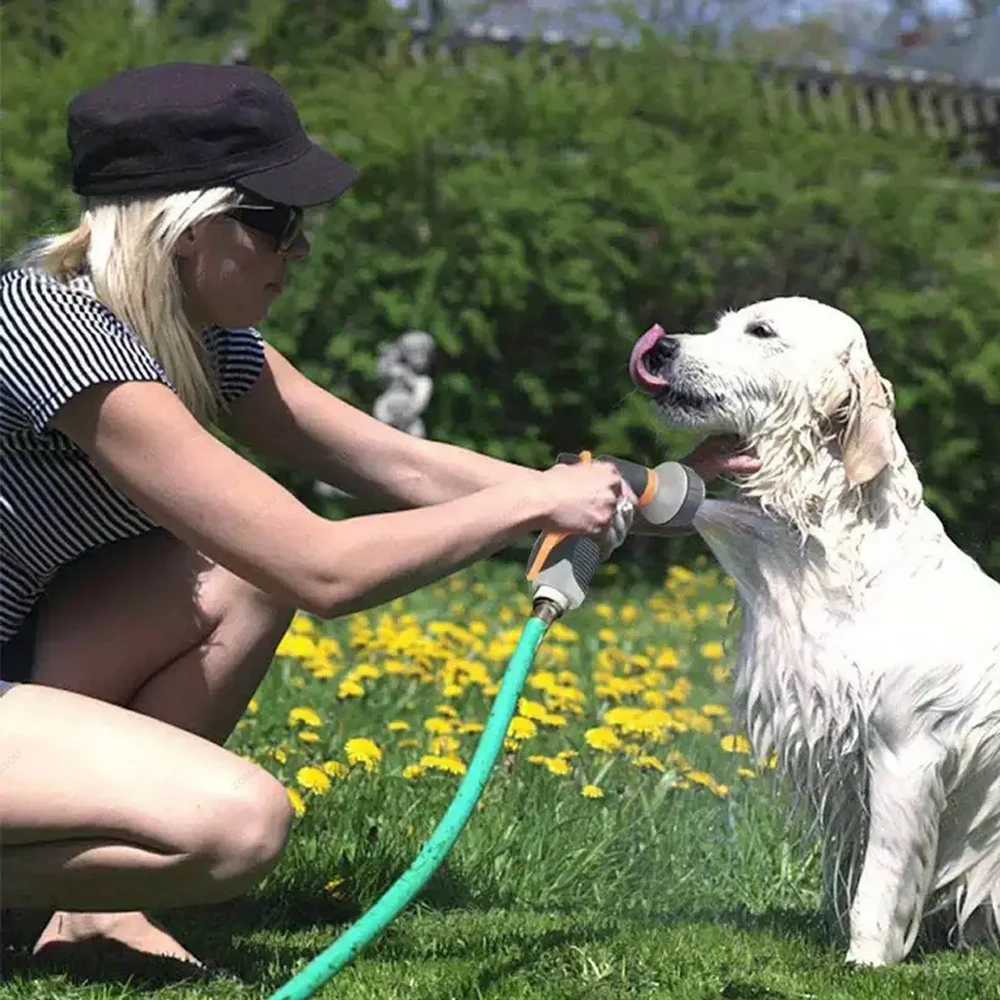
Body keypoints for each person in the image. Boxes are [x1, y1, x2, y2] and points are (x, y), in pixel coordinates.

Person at [0, 62, 760, 971]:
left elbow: (397, 463)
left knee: (234, 578)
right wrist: (531, 501)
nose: (301, 253)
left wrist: (654, 495)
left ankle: (90, 913)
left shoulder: (198, 341)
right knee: (239, 828)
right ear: (189, 224)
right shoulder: (54, 331)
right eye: (278, 223)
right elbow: (319, 568)